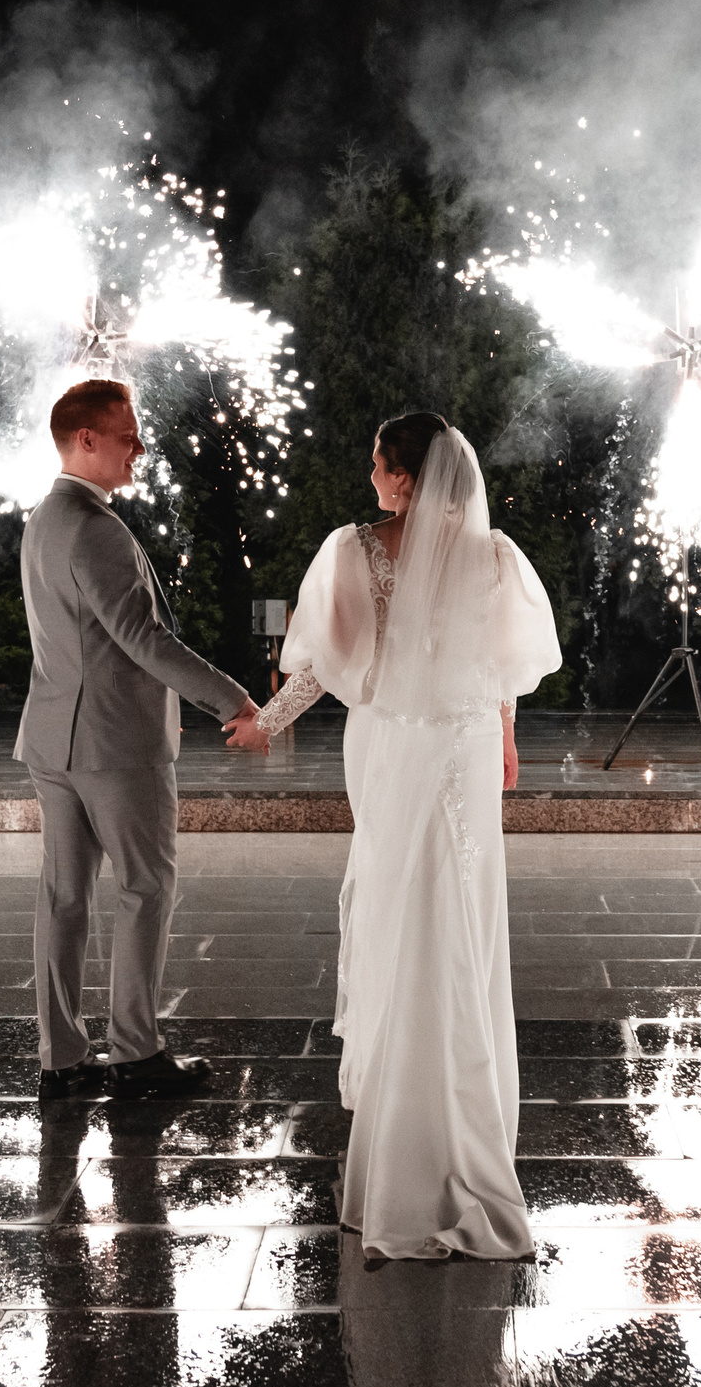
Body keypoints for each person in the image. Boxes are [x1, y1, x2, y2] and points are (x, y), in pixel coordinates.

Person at [226, 414, 561, 1259]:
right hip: (467, 746)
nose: (371, 477)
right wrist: (508, 736)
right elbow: (500, 667)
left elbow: (326, 664)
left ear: (404, 477)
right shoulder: (494, 555)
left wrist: (267, 723)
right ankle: (460, 1147)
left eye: (379, 465)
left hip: (398, 744)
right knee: (458, 927)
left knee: (401, 920)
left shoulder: (356, 550)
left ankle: (403, 1166)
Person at [15, 378, 264, 1102]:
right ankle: (134, 1051)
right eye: (127, 436)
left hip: (52, 740)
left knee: (63, 897)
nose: (140, 449)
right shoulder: (95, 528)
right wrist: (233, 699)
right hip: (115, 745)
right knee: (145, 887)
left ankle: (60, 1059)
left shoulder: (44, 518)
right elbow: (143, 640)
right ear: (85, 439)